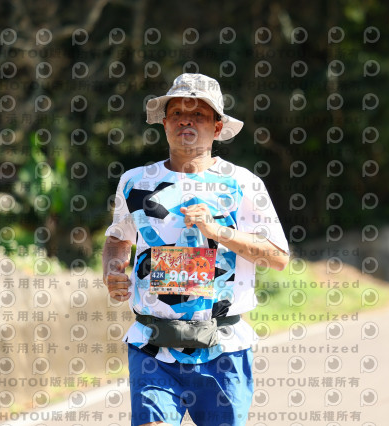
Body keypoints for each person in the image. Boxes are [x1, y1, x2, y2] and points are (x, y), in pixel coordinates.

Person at [102, 73, 290, 426]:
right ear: (164, 123)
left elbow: (278, 257)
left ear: (217, 128)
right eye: (177, 113)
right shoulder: (135, 182)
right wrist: (112, 269)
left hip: (224, 347)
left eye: (198, 114)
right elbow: (118, 239)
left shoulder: (243, 184)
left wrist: (218, 231)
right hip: (152, 344)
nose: (185, 121)